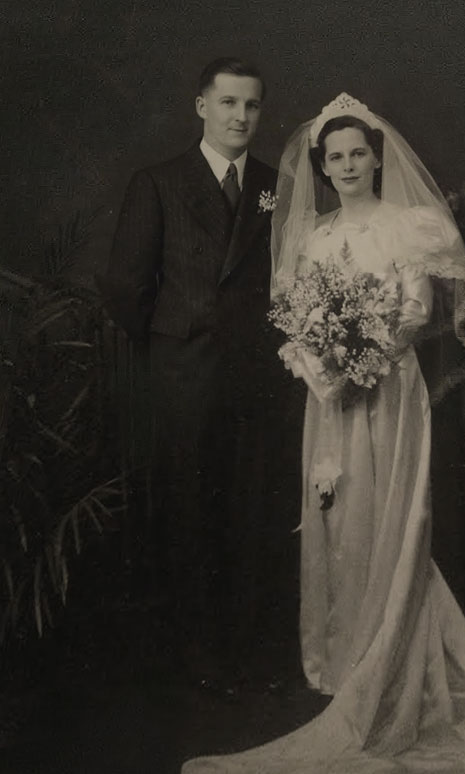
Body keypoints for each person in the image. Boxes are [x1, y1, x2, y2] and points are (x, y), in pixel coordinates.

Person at [180, 94, 465, 774]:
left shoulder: (411, 226)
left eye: (355, 153)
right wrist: (319, 364)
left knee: (391, 511)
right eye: (332, 157)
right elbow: (300, 315)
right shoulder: (312, 235)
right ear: (323, 165)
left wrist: (359, 358)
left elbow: (412, 311)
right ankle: (341, 661)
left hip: (388, 391)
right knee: (336, 513)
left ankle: (392, 656)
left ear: (377, 157)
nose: (344, 166)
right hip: (330, 399)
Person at [100, 58, 291, 687]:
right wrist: (175, 338)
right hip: (185, 373)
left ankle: (245, 647)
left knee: (249, 508)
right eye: (229, 103)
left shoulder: (275, 183)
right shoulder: (158, 182)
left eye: (252, 106)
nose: (241, 117)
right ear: (201, 106)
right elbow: (126, 288)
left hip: (256, 373)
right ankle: (196, 654)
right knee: (188, 509)